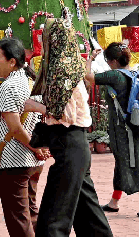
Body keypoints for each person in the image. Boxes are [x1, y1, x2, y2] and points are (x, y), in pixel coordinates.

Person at [31, 19, 112, 237]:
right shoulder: (67, 65)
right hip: (72, 144)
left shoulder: (64, 69)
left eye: (45, 37)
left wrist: (35, 106)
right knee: (88, 215)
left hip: (69, 142)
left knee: (54, 216)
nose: (43, 42)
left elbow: (64, 115)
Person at [86, 43, 139, 217]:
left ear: (113, 61)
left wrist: (90, 59)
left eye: (107, 60)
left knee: (131, 163)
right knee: (124, 161)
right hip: (137, 126)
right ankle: (114, 202)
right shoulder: (134, 72)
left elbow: (88, 76)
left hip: (123, 130)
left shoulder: (115, 75)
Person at [0, 38, 49, 237]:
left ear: (12, 62)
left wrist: (34, 147)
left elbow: (14, 127)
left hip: (14, 160)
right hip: (31, 161)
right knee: (30, 213)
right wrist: (37, 148)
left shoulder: (10, 86)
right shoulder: (29, 79)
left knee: (18, 219)